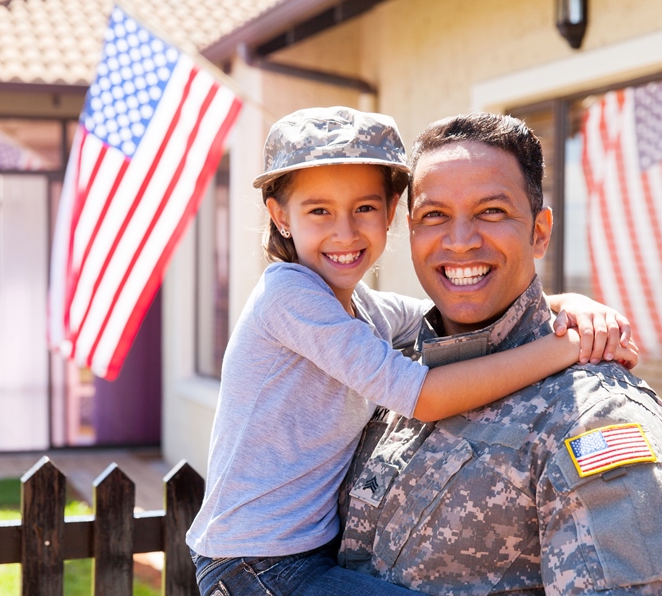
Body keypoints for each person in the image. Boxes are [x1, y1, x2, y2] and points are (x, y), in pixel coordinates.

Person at [186, 107, 637, 596]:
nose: (345, 232)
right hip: (256, 563)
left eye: (364, 208)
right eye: (319, 211)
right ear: (281, 216)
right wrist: (564, 347)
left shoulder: (362, 308)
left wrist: (569, 302)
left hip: (302, 552)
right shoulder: (288, 297)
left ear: (391, 212)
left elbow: (461, 297)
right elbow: (421, 396)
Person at [337, 112, 662, 594]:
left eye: (491, 212)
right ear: (412, 232)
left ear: (540, 232)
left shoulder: (595, 417)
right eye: (434, 215)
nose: (460, 241)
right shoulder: (389, 367)